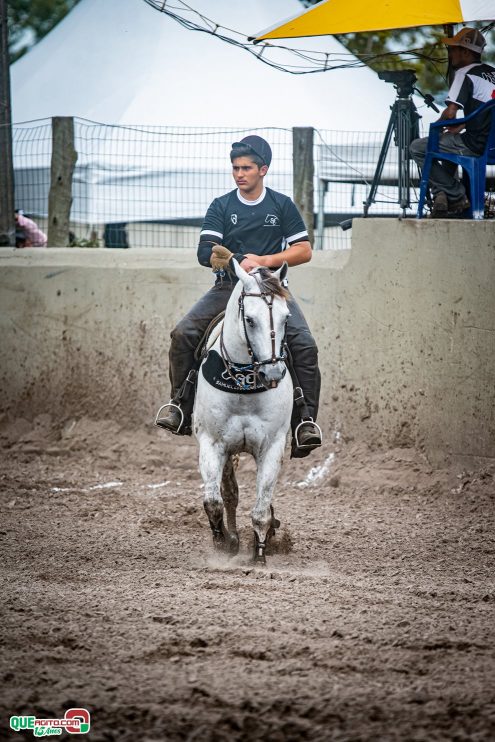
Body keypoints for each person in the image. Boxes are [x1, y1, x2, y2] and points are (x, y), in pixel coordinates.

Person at [156, 135, 322, 458]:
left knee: (306, 345)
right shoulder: (222, 205)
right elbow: (206, 251)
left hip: (272, 289)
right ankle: (180, 405)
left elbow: (304, 250)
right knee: (183, 334)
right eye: (235, 168)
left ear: (263, 169)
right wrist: (235, 262)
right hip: (227, 288)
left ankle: (305, 421)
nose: (239, 174)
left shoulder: (281, 205)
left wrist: (262, 261)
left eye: (246, 168)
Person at [410, 27, 495, 218]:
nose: (451, 53)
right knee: (451, 140)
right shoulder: (492, 73)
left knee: (417, 147)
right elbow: (488, 112)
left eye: (454, 49)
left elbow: (450, 113)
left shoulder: (464, 73)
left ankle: (456, 195)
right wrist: (464, 124)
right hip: (492, 147)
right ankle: (448, 197)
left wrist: (436, 129)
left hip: (475, 145)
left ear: (465, 51)